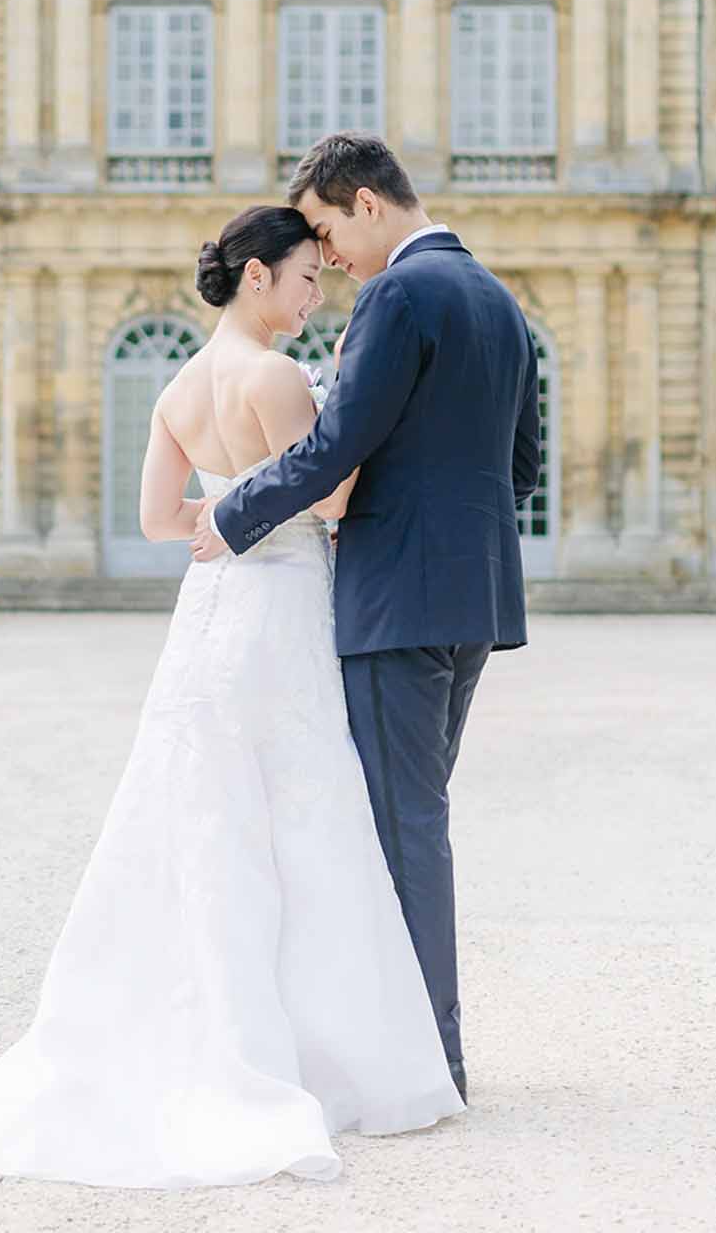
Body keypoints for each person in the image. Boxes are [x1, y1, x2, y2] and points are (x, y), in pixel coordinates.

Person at [0, 203, 463, 1189]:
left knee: (205, 823)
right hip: (280, 612)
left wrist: (224, 517)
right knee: (307, 822)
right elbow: (333, 499)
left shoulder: (181, 386)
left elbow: (155, 517)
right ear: (258, 275)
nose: (319, 294)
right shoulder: (275, 376)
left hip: (210, 613)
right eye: (308, 276)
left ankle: (204, 1028)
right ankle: (331, 1054)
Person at [193, 134, 540, 1100]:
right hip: (474, 596)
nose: (330, 255)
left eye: (329, 229)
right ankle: (410, 1043)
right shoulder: (499, 299)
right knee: (409, 821)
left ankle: (430, 1062)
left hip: (398, 598)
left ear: (368, 204)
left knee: (402, 829)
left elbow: (340, 445)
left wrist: (233, 513)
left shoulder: (397, 295)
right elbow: (521, 470)